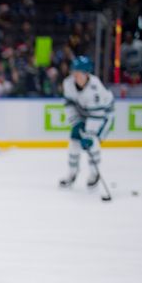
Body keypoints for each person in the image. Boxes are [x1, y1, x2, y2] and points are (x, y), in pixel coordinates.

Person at [59, 56, 115, 189]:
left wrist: (89, 135)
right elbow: (69, 105)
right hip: (83, 115)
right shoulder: (68, 83)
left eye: (79, 73)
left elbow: (97, 115)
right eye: (74, 72)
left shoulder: (95, 88)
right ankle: (72, 173)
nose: (76, 76)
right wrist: (76, 122)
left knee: (93, 143)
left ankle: (94, 173)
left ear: (87, 74)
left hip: (104, 116)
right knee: (74, 142)